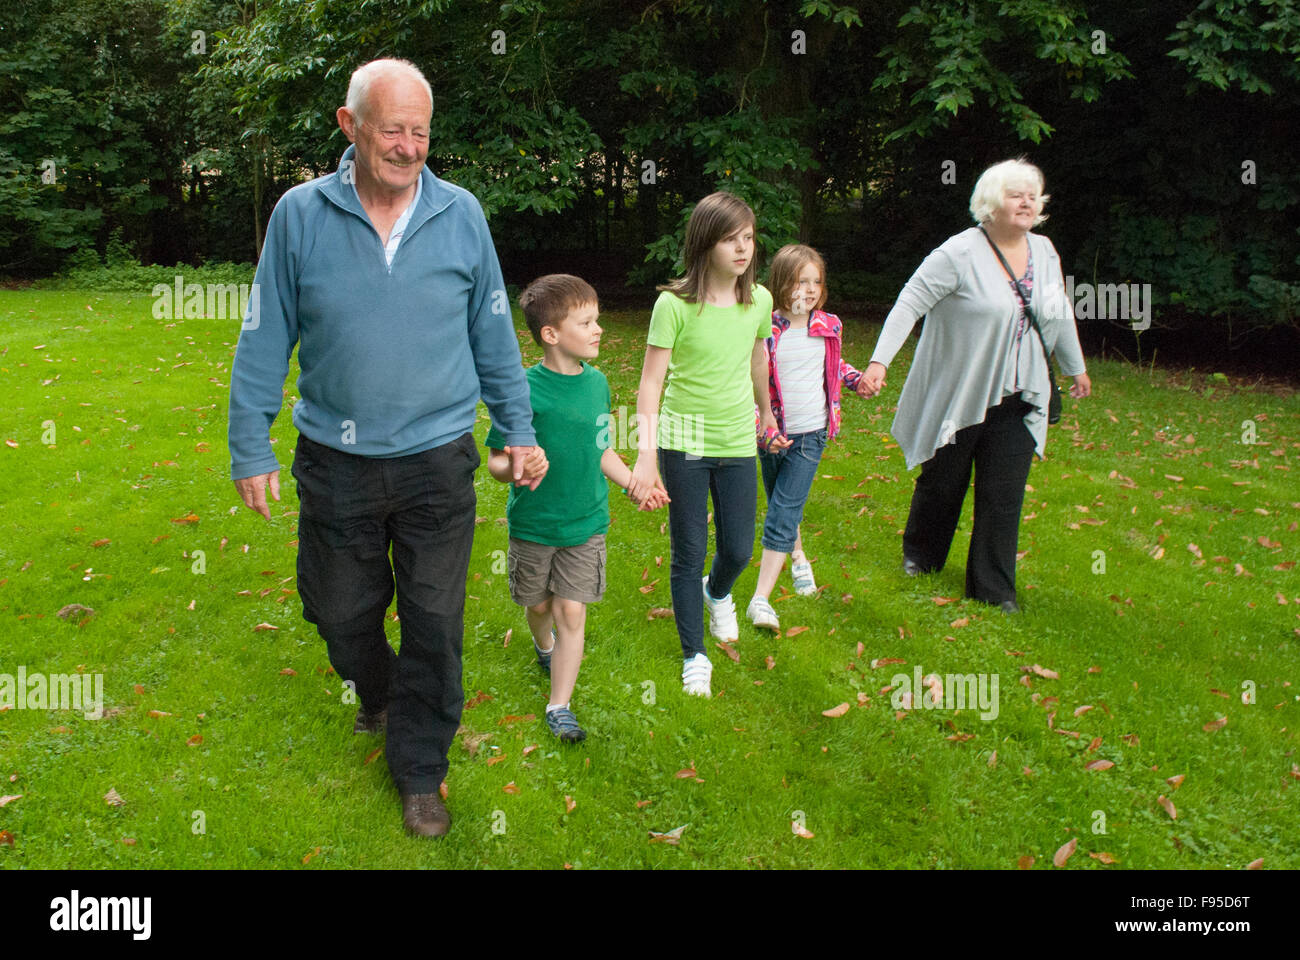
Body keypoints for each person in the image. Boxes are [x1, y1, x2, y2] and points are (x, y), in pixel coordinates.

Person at [227, 59, 544, 838]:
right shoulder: (301, 216)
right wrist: (249, 442)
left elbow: (494, 334)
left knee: (434, 621)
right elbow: (266, 334)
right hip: (335, 461)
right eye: (392, 129)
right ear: (350, 126)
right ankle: (375, 688)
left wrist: (519, 429)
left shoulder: (462, 214)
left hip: (438, 458)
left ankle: (420, 769)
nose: (408, 147)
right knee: (338, 612)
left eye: (420, 132)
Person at [858, 158, 1091, 612]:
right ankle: (921, 555)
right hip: (960, 391)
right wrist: (879, 361)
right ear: (990, 202)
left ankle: (994, 590)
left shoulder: (1044, 252)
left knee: (1004, 494)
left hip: (1021, 392)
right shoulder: (959, 253)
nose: (1026, 202)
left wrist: (1073, 366)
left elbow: (1057, 311)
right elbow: (910, 302)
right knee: (943, 481)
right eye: (1014, 194)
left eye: (1032, 194)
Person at [486, 275, 667, 743]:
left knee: (571, 610)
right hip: (534, 522)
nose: (599, 329)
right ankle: (541, 643)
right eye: (586, 322)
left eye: (598, 320)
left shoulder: (598, 384)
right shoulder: (521, 389)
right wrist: (518, 465)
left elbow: (602, 449)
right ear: (550, 334)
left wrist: (635, 484)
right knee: (539, 604)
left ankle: (559, 705)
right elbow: (495, 462)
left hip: (586, 522)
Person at [628, 191, 786, 698]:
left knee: (739, 547)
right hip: (685, 439)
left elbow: (759, 357)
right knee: (688, 551)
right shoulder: (674, 304)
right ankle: (693, 654)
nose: (742, 249)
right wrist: (646, 453)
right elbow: (650, 382)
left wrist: (766, 412)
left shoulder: (758, 299)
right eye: (729, 239)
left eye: (748, 237)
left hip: (738, 438)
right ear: (704, 244)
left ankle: (718, 593)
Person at [746, 244, 873, 632]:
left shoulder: (828, 325)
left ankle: (760, 599)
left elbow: (835, 366)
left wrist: (856, 381)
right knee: (782, 501)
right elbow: (748, 380)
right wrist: (761, 427)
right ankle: (798, 556)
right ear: (783, 282)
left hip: (812, 435)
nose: (811, 288)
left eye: (817, 281)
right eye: (802, 280)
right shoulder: (765, 328)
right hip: (772, 435)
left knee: (783, 510)